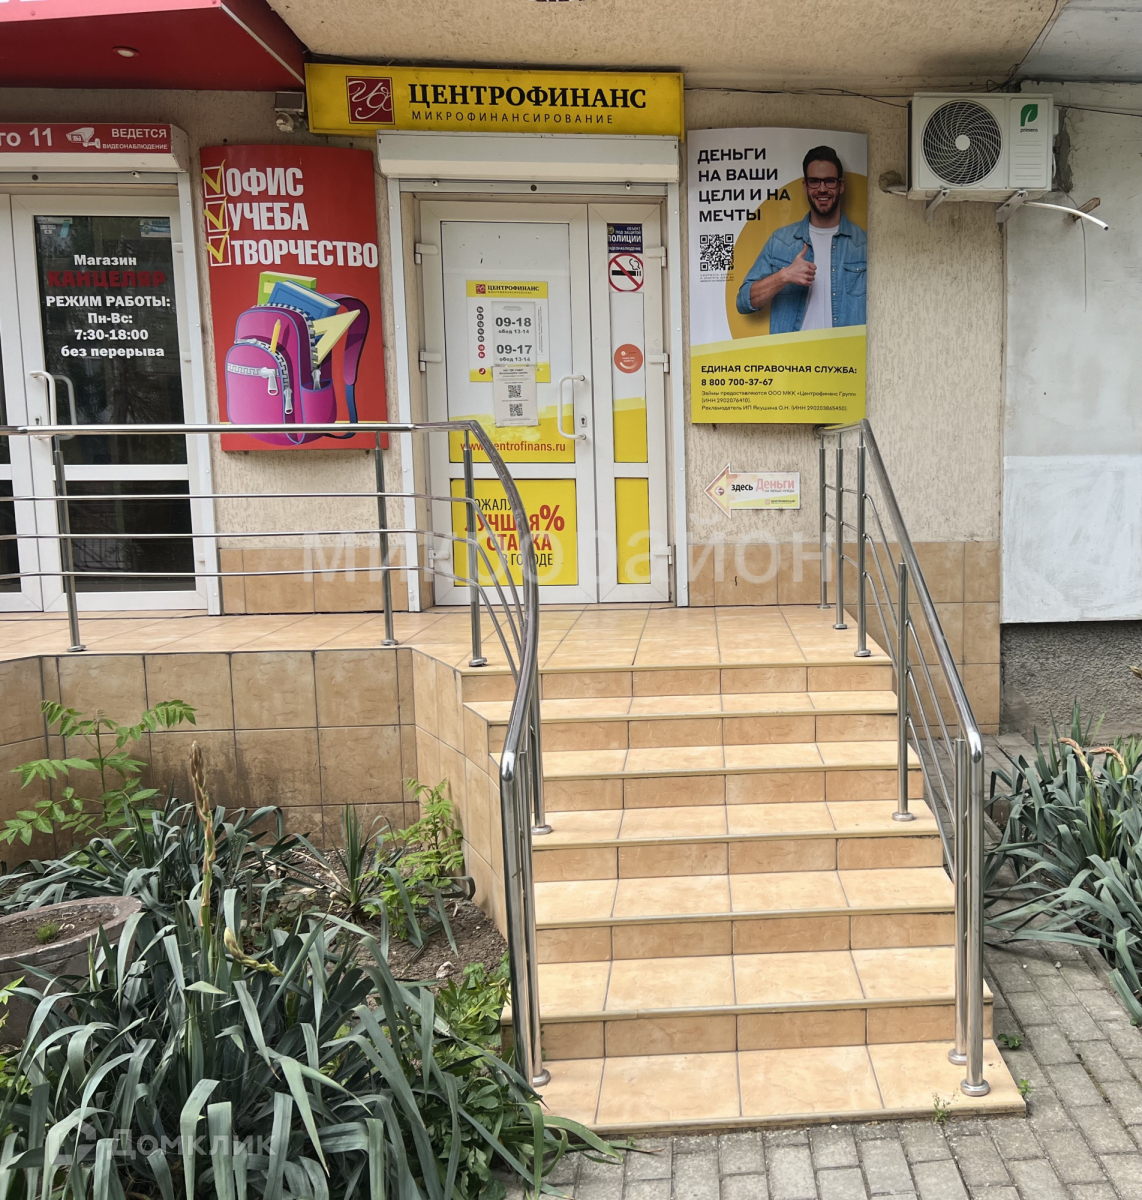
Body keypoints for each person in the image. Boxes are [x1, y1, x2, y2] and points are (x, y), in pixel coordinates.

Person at [735, 146, 867, 332]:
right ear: (805, 186)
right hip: (794, 352)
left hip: (845, 351)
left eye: (829, 181)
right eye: (814, 182)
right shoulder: (781, 241)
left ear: (841, 185)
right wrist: (784, 276)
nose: (822, 189)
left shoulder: (864, 245)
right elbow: (743, 302)